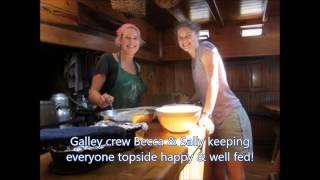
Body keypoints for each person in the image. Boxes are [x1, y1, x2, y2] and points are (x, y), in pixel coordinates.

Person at [175, 21, 253, 180]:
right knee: (217, 167)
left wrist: (206, 114)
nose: (184, 40)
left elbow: (213, 81)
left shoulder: (205, 49)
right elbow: (202, 88)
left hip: (229, 116)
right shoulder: (194, 59)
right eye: (180, 37)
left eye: (188, 36)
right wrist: (191, 100)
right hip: (216, 120)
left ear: (197, 35)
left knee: (235, 172)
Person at [89, 23, 145, 110]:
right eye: (127, 37)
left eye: (135, 38)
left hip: (132, 120)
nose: (132, 41)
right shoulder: (107, 59)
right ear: (120, 41)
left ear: (139, 42)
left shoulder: (137, 67)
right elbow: (92, 93)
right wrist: (100, 100)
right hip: (109, 120)